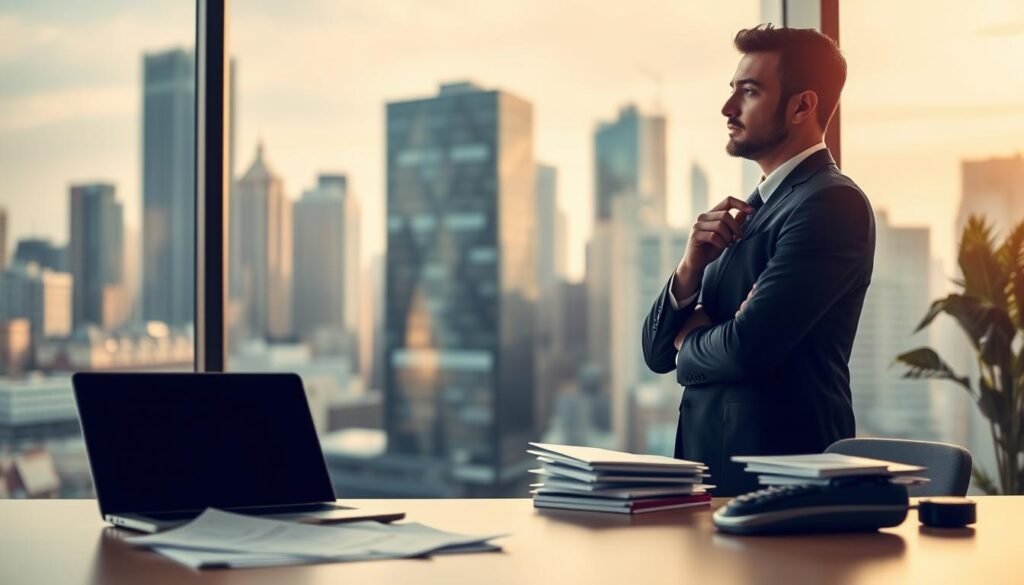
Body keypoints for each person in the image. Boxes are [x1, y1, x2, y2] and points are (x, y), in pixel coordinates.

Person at [641, 24, 875, 496]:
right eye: (732, 91)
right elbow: (654, 353)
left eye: (748, 92)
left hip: (781, 488)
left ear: (802, 106)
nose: (728, 108)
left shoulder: (830, 203)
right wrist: (690, 271)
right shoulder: (751, 210)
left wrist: (692, 340)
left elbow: (749, 347)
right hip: (712, 485)